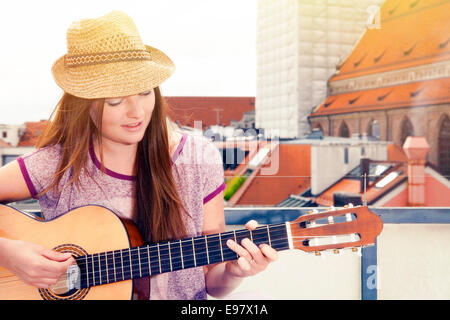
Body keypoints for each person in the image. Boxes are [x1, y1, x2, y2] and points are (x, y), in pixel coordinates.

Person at [0, 11, 277, 300]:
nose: (137, 112)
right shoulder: (57, 165)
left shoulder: (197, 158)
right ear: (85, 105)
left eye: (145, 92)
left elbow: (212, 282)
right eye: (115, 101)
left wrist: (235, 272)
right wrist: (8, 254)